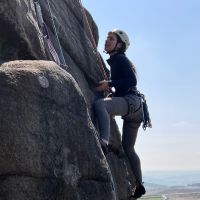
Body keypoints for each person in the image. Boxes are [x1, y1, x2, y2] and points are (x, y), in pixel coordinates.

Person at [94, 29, 148, 199]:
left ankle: (102, 143)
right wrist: (114, 90)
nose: (107, 41)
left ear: (120, 44)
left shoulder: (120, 59)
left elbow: (132, 81)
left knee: (101, 105)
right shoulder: (116, 60)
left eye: (111, 39)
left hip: (131, 103)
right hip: (136, 110)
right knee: (128, 148)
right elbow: (126, 84)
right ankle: (140, 185)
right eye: (107, 38)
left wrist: (110, 83)